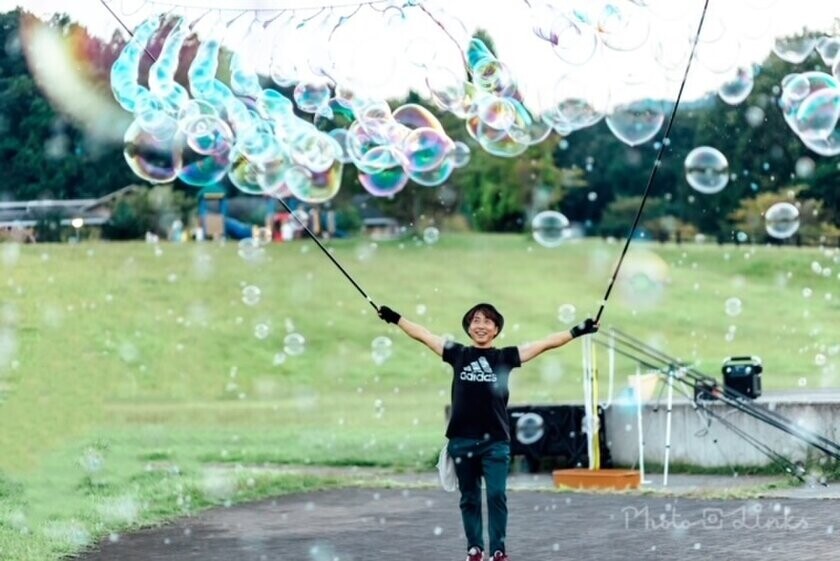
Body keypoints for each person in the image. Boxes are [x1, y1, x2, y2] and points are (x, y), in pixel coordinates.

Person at [377, 302, 598, 561]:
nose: (480, 326)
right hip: (461, 440)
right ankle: (474, 549)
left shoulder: (506, 357)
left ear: (496, 330)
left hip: (495, 442)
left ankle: (498, 550)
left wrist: (579, 329)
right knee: (469, 498)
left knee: (496, 495)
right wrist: (394, 317)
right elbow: (423, 335)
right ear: (469, 328)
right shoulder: (457, 353)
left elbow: (546, 343)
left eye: (487, 322)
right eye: (475, 321)